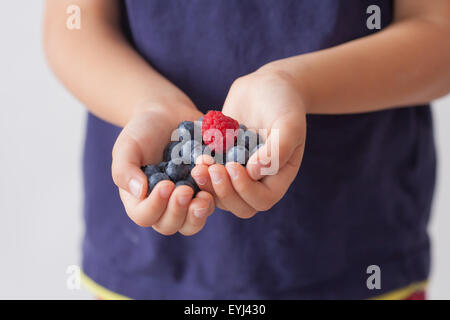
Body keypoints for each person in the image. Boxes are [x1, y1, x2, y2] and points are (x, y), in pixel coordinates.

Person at [43, 0, 450, 299]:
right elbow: (74, 24)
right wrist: (148, 103)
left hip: (356, 251)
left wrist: (297, 83)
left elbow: (439, 33)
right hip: (144, 265)